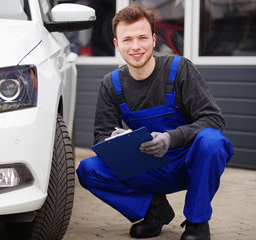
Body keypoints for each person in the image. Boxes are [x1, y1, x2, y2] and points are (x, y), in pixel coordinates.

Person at [76, 3, 234, 240]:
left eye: (142, 38)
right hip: (145, 167)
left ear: (153, 39)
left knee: (213, 141)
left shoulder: (179, 69)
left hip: (187, 163)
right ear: (117, 45)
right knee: (89, 170)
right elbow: (101, 137)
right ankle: (155, 209)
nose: (136, 46)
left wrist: (170, 138)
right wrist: (119, 142)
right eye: (127, 40)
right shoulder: (112, 84)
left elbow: (213, 119)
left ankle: (197, 221)